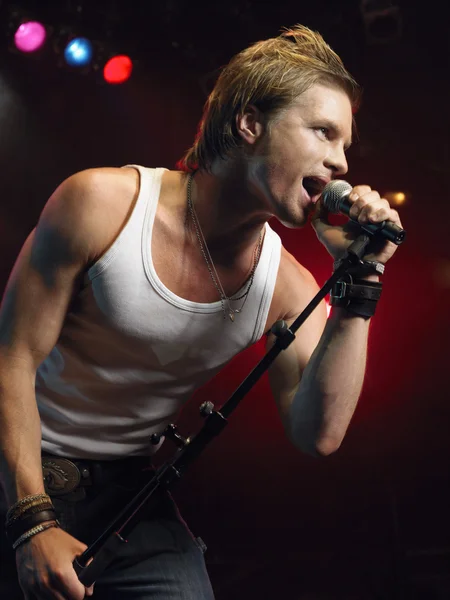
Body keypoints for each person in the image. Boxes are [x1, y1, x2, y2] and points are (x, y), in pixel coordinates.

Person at [0, 24, 401, 600]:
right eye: (323, 132)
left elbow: (319, 434)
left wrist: (362, 280)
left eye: (345, 146)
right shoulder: (100, 204)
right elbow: (11, 357)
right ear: (249, 123)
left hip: (130, 495)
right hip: (17, 466)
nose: (340, 162)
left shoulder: (288, 284)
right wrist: (32, 522)